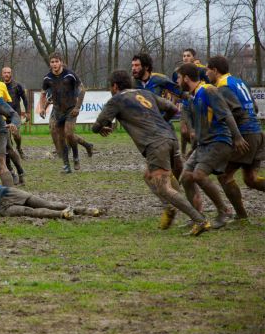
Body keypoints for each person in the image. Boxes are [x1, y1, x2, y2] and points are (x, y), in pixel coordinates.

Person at [92, 70, 210, 234]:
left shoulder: (116, 100)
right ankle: (170, 207)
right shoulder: (145, 93)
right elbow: (172, 108)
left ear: (114, 86)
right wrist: (162, 122)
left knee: (164, 188)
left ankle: (200, 220)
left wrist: (101, 128)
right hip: (170, 138)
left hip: (155, 145)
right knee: (149, 175)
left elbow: (96, 126)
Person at [176, 63, 249, 233]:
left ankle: (224, 212)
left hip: (218, 141)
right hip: (203, 145)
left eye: (179, 78)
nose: (178, 81)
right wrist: (192, 149)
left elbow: (227, 114)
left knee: (199, 175)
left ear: (186, 78)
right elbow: (200, 128)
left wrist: (237, 137)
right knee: (186, 178)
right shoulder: (193, 96)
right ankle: (198, 218)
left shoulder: (208, 90)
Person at [0, 152, 101, 219]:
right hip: (1, 208)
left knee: (46, 203)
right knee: (30, 212)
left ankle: (82, 210)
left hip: (6, 193)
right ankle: (63, 215)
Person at [205, 56, 265, 221]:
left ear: (215, 70)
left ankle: (241, 215)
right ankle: (241, 215)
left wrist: (236, 136)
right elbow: (254, 106)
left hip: (245, 136)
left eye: (208, 69)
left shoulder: (223, 87)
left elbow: (236, 112)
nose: (206, 73)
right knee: (251, 179)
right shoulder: (239, 82)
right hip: (258, 133)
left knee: (224, 175)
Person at [39, 53, 94, 173]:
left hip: (71, 109)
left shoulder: (70, 75)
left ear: (61, 62)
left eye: (56, 61)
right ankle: (66, 165)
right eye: (52, 62)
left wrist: (77, 107)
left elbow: (82, 90)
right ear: (50, 64)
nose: (54, 64)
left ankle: (76, 157)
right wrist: (42, 108)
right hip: (57, 111)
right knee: (60, 138)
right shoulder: (47, 78)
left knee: (69, 134)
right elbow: (43, 94)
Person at [171, 49, 208, 155]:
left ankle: (194, 152)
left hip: (198, 105)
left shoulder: (201, 70)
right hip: (186, 105)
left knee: (194, 133)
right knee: (183, 131)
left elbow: (210, 84)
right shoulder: (177, 72)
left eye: (188, 55)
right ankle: (182, 154)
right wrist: (172, 106)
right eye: (184, 56)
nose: (185, 58)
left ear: (193, 57)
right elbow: (175, 91)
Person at [2, 66, 29, 157]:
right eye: (5, 72)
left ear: (11, 74)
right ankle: (10, 153)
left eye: (8, 72)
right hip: (3, 115)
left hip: (15, 115)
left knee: (16, 134)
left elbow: (25, 99)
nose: (7, 74)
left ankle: (19, 148)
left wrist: (27, 112)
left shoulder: (17, 86)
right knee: (7, 138)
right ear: (2, 74)